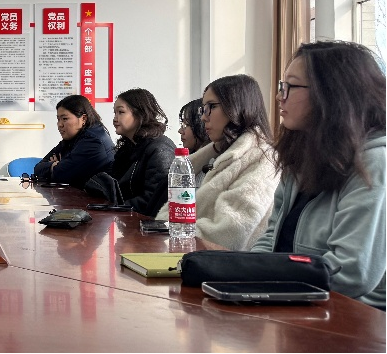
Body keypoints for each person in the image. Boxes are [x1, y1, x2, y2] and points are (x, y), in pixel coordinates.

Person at [251, 40, 386, 310]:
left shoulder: (375, 163)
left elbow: (351, 272)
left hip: (356, 316)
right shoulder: (302, 155)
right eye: (281, 86)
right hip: (297, 302)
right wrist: (244, 273)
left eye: (290, 86)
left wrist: (265, 279)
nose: (279, 96)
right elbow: (271, 238)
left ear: (332, 93)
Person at [155, 75, 279, 251]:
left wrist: (175, 229)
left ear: (237, 107)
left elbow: (229, 232)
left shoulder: (263, 158)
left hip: (226, 264)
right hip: (195, 253)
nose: (204, 117)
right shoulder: (219, 154)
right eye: (203, 109)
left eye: (211, 107)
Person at [87, 88, 175, 217]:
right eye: (115, 113)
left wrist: (114, 209)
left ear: (140, 114)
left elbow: (154, 200)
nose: (115, 119)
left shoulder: (160, 148)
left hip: (145, 224)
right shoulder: (129, 147)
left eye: (121, 112)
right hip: (126, 219)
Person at [33, 95, 114, 188]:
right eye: (58, 119)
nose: (60, 125)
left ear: (83, 119)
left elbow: (61, 175)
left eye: (65, 119)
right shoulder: (73, 138)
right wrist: (54, 166)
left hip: (97, 197)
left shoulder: (93, 141)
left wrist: (57, 166)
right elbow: (38, 168)